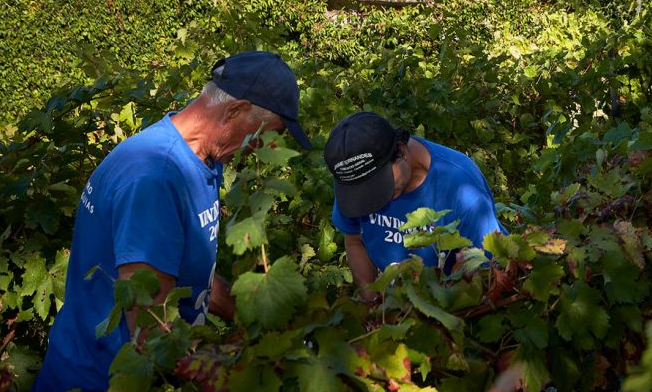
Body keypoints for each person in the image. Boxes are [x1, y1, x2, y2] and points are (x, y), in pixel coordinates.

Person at [34, 51, 310, 392]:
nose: (266, 146)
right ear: (235, 111)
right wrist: (246, 365)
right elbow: (151, 331)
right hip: (99, 379)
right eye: (269, 133)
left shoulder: (202, 158)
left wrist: (256, 316)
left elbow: (190, 280)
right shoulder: (154, 178)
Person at [324, 111, 504, 299]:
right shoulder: (356, 178)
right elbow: (354, 241)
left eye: (379, 186)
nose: (375, 199)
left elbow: (487, 269)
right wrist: (372, 303)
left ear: (401, 151)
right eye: (365, 191)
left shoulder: (461, 188)